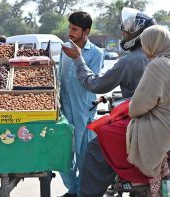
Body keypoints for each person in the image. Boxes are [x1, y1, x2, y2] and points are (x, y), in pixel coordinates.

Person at [60, 7, 157, 197]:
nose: (123, 34)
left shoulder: (127, 61)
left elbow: (95, 84)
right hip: (159, 120)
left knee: (96, 147)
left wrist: (79, 59)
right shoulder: (161, 59)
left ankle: (88, 193)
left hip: (137, 120)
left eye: (127, 32)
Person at [95, 24, 170, 196]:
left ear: (152, 44)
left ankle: (136, 176)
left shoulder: (157, 65)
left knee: (104, 131)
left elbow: (137, 107)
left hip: (160, 127)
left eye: (145, 44)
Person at [58, 11, 104, 197]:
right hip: (64, 109)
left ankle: (81, 192)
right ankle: (73, 189)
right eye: (69, 28)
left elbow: (91, 81)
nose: (71, 32)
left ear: (86, 31)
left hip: (84, 110)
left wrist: (78, 57)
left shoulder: (96, 53)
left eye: (75, 29)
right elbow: (61, 77)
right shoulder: (65, 48)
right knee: (63, 154)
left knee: (84, 156)